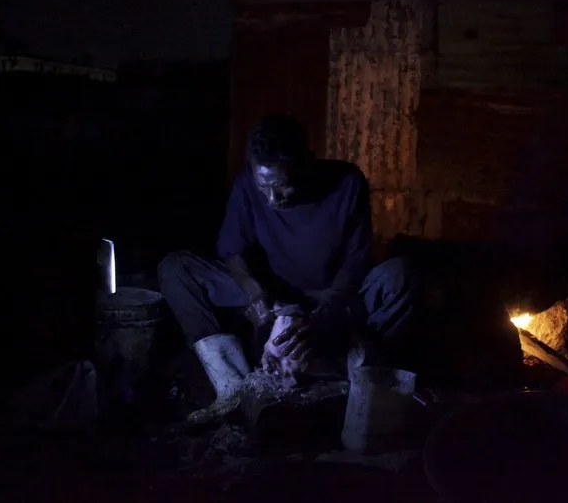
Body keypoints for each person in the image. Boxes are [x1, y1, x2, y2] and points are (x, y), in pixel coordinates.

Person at [158, 113, 417, 423]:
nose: (271, 199)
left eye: (282, 187)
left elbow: (355, 263)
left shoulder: (347, 182)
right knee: (176, 268)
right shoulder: (247, 185)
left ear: (307, 163)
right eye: (263, 187)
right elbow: (232, 251)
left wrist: (322, 315)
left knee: (401, 274)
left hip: (330, 296)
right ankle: (232, 385)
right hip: (274, 294)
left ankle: (356, 374)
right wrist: (255, 294)